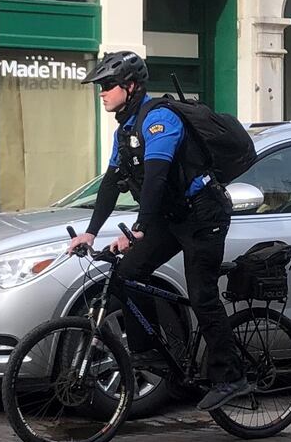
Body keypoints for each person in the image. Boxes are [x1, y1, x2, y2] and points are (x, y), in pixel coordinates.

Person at [66, 51, 248, 411]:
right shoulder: (126, 130)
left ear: (130, 87)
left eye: (107, 85)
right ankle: (151, 355)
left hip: (203, 215)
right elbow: (110, 184)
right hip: (173, 216)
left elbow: (156, 178)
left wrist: (138, 229)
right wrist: (89, 232)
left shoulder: (160, 120)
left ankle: (231, 377)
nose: (101, 93)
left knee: (202, 294)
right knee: (128, 274)